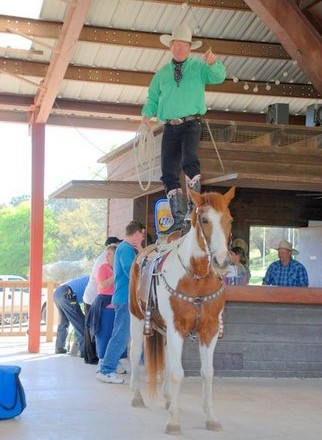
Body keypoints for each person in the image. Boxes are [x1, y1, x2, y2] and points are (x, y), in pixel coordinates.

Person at [141, 23, 226, 234]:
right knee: (168, 171)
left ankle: (193, 209)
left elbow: (218, 77)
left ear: (189, 48)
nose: (179, 48)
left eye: (183, 45)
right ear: (171, 47)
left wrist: (213, 63)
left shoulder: (199, 68)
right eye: (176, 45)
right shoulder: (161, 74)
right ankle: (178, 217)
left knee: (189, 161)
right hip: (169, 126)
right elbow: (152, 97)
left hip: (191, 123)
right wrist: (146, 115)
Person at [96, 221, 145, 384]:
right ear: (137, 233)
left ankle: (107, 368)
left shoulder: (126, 249)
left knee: (127, 335)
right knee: (120, 337)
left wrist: (140, 251)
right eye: (142, 234)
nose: (143, 237)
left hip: (126, 298)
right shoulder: (125, 248)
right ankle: (106, 370)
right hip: (124, 298)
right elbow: (131, 271)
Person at [87, 243, 126, 373]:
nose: (107, 256)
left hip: (118, 303)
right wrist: (115, 276)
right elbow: (102, 285)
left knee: (117, 333)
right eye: (107, 254)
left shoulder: (121, 267)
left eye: (110, 254)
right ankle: (102, 360)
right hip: (105, 304)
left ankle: (115, 360)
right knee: (104, 333)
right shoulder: (103, 268)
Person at [54, 275, 89, 356]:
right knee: (80, 323)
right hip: (68, 293)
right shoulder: (94, 283)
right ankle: (84, 351)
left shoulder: (88, 278)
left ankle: (59, 347)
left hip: (58, 293)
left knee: (63, 321)